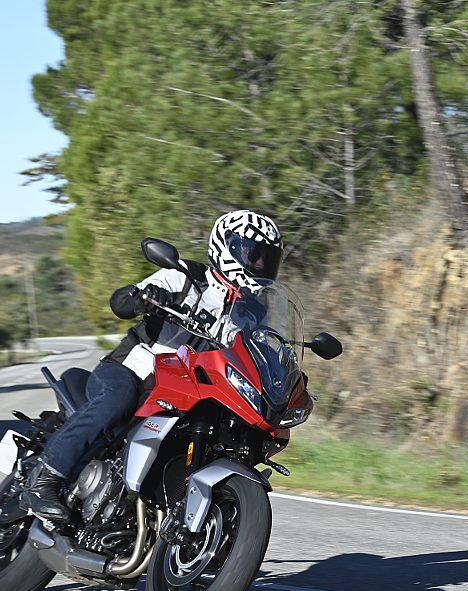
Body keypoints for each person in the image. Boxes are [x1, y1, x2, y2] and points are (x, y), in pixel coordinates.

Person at [23, 209, 284, 521]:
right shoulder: (184, 277)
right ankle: (45, 478)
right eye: (253, 255)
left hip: (190, 391)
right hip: (133, 370)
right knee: (117, 399)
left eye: (266, 260)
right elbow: (121, 302)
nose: (259, 266)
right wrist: (142, 296)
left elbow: (257, 349)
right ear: (227, 247)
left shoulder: (252, 312)